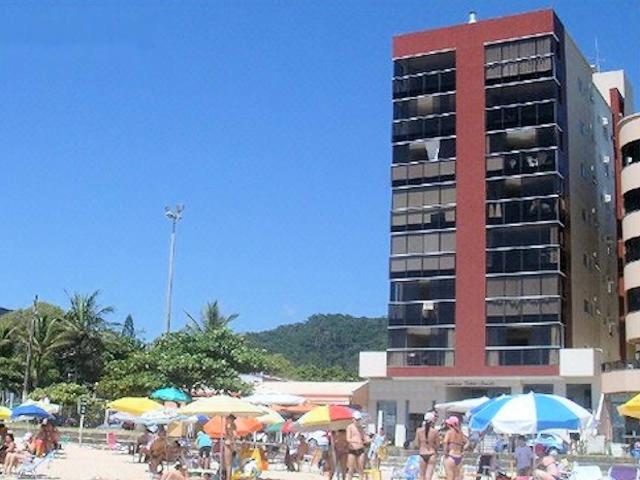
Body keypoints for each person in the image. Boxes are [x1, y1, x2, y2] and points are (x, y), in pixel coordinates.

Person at [415, 412, 439, 480]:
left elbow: (416, 444)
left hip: (422, 453)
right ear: (432, 421)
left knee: (421, 476)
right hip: (431, 453)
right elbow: (437, 445)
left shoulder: (419, 431)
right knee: (428, 476)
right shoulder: (435, 431)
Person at [346, 412, 369, 480]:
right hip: (352, 449)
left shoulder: (361, 428)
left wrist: (368, 439)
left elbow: (364, 437)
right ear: (353, 419)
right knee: (351, 469)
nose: (358, 421)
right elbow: (348, 439)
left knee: (361, 468)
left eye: (359, 419)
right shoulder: (349, 427)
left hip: (360, 449)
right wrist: (356, 441)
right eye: (356, 419)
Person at [223, 415, 237, 480]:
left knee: (228, 464)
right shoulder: (231, 425)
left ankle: (228, 478)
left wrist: (228, 437)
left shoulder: (230, 426)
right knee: (227, 464)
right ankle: (228, 477)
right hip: (229, 443)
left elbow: (234, 435)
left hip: (229, 444)